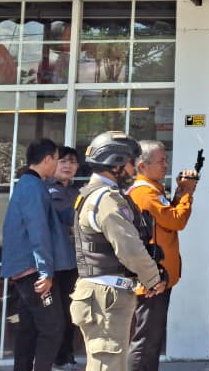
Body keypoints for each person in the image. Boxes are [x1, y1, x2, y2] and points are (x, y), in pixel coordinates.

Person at [70, 132, 166, 371]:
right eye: (131, 162)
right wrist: (153, 279)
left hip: (103, 294)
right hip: (106, 296)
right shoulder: (106, 198)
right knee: (108, 365)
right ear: (116, 163)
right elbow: (128, 248)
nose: (133, 169)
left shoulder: (94, 193)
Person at [1, 138, 76, 371]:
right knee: (53, 328)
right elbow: (38, 230)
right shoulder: (33, 187)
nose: (58, 164)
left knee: (30, 328)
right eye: (57, 159)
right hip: (33, 270)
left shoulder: (27, 184)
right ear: (47, 159)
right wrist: (46, 272)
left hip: (25, 268)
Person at [127, 141, 199, 371]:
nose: (166, 165)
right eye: (161, 161)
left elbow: (167, 218)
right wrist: (186, 193)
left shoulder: (153, 191)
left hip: (155, 276)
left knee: (151, 338)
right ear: (142, 166)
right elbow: (176, 221)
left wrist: (180, 193)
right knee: (145, 340)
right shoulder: (145, 193)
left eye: (166, 160)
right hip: (151, 279)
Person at [47, 146, 82, 371]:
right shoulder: (44, 189)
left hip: (74, 261)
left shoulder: (78, 192)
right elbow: (69, 216)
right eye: (63, 161)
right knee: (53, 314)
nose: (68, 165)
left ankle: (65, 357)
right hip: (51, 261)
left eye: (72, 162)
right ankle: (51, 358)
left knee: (71, 311)